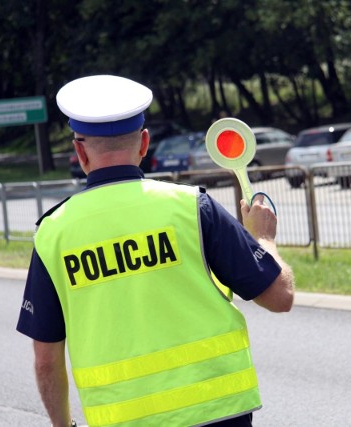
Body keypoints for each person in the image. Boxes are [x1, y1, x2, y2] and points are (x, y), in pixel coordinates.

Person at [16, 75, 295, 427]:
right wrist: (264, 239)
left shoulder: (53, 233)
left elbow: (46, 359)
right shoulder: (193, 207)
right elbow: (279, 296)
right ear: (144, 143)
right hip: (217, 414)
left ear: (80, 151)